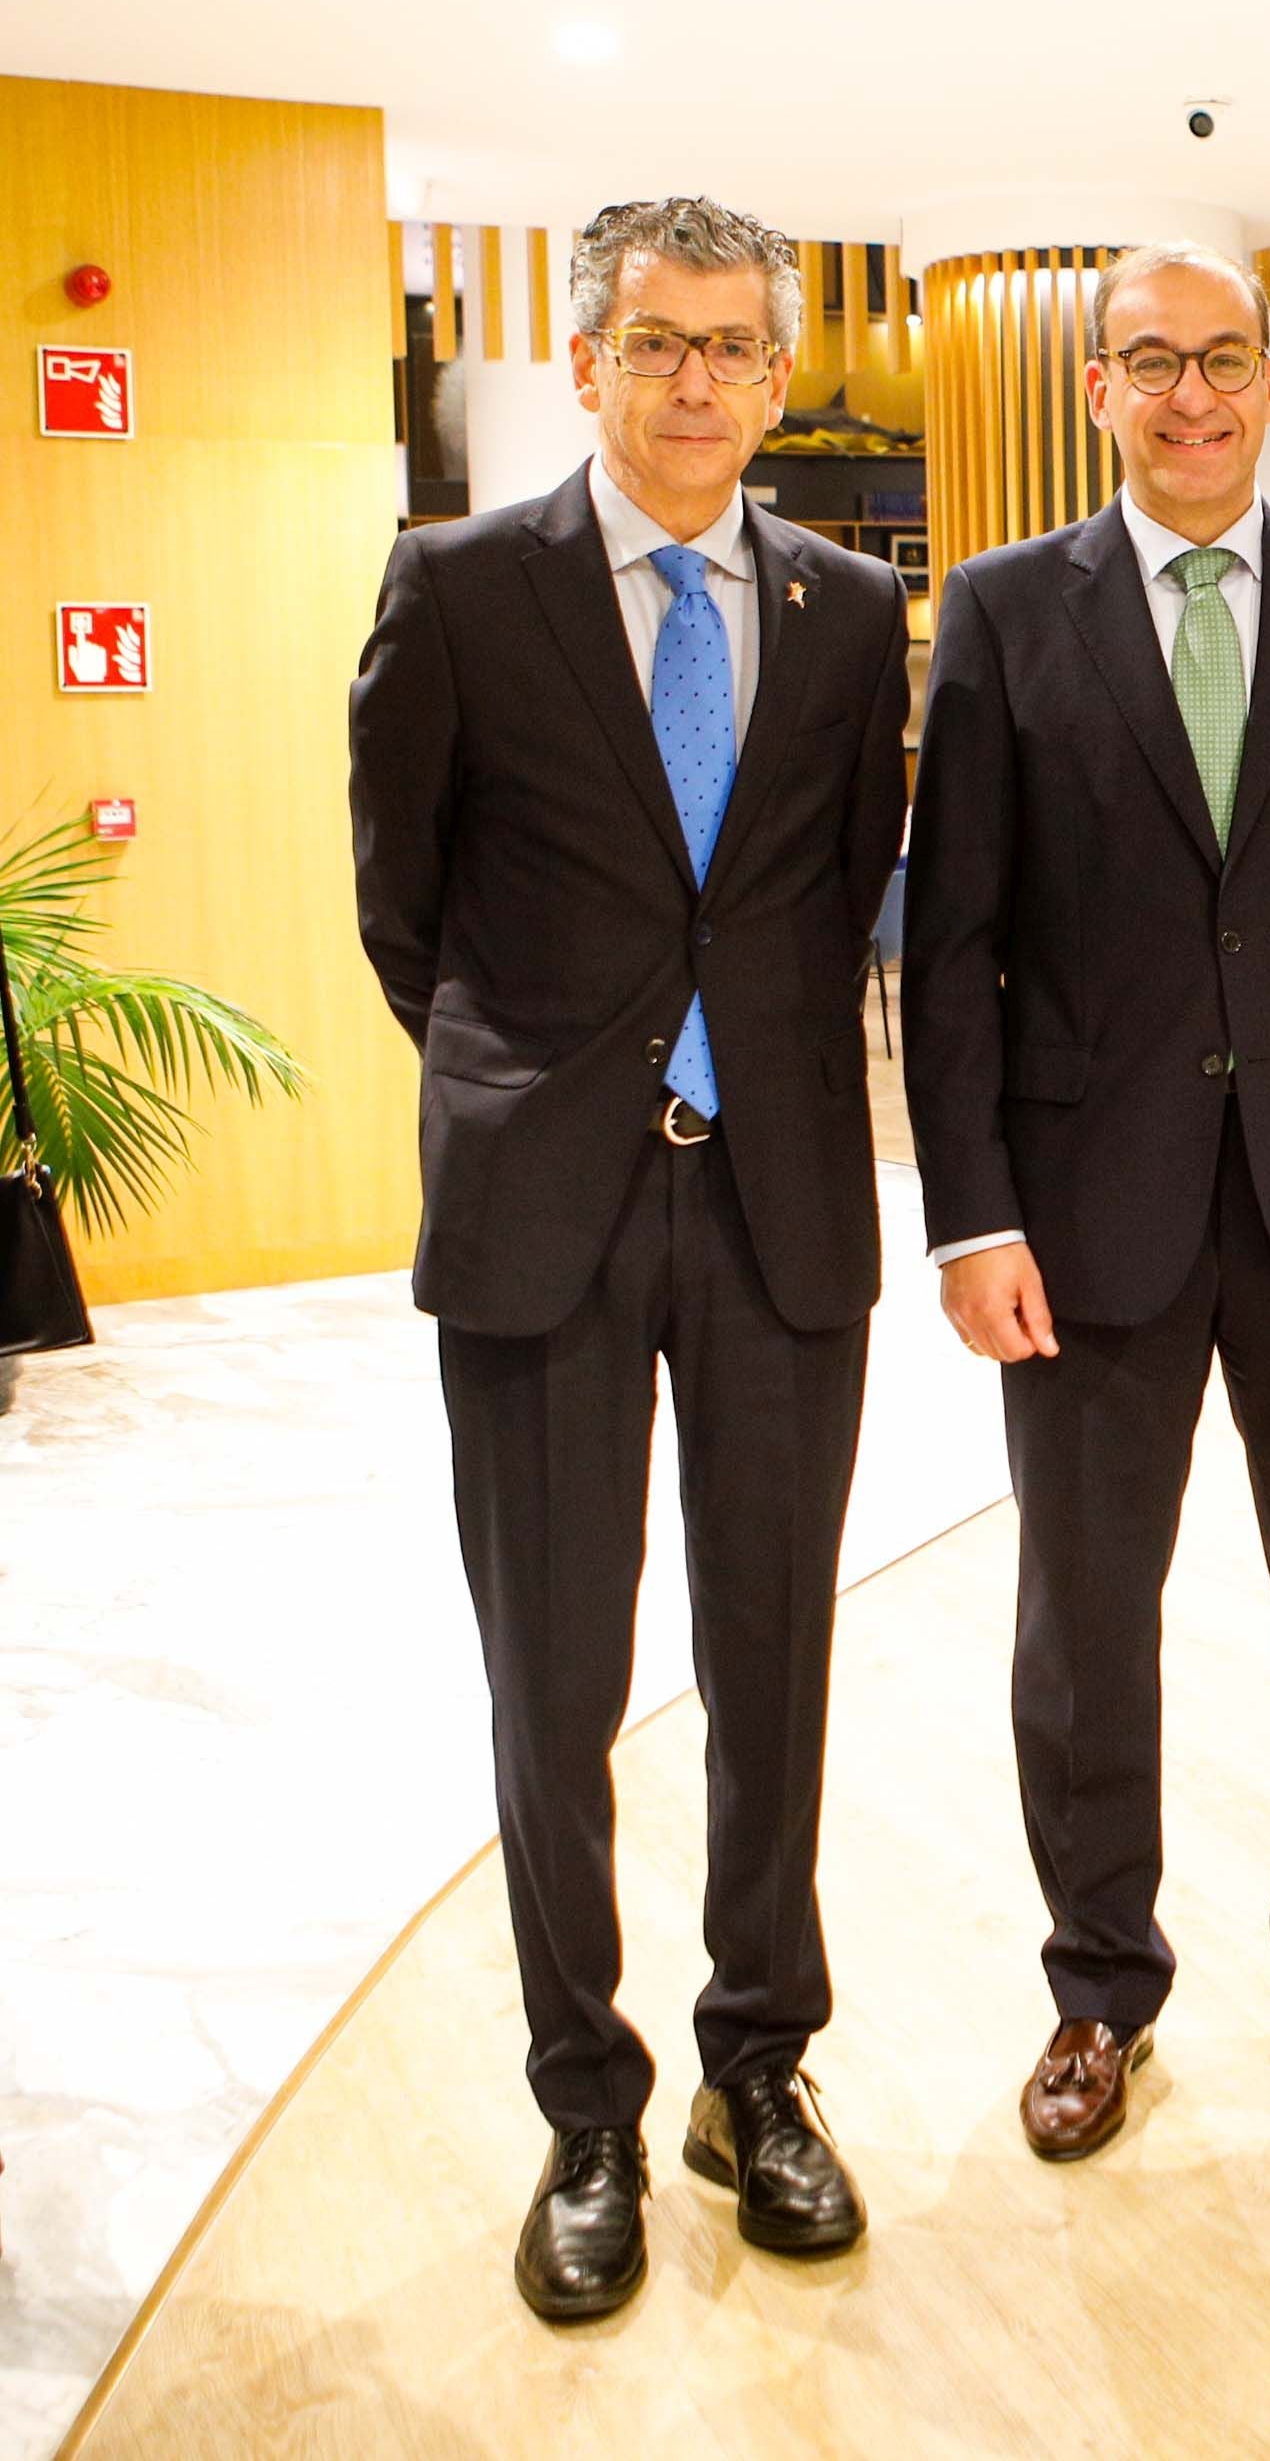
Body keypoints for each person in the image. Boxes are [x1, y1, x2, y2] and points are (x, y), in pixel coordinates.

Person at [349, 197, 909, 2320]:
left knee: (773, 1661)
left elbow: (839, 890)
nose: (694, 381)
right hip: (544, 1215)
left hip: (780, 1206)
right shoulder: (460, 586)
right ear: (586, 361)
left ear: (777, 379)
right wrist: (544, 1081)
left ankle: (757, 2071)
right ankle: (584, 2104)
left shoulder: (849, 611)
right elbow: (403, 903)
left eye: (733, 347)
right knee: (557, 1675)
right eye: (655, 342)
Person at [905, 243, 1270, 2157]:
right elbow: (954, 943)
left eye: (1222, 359)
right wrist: (972, 1215)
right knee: (1086, 1622)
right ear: (1098, 391)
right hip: (1089, 1215)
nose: (1190, 394)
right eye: (1149, 362)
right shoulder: (1005, 610)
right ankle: (1099, 1990)